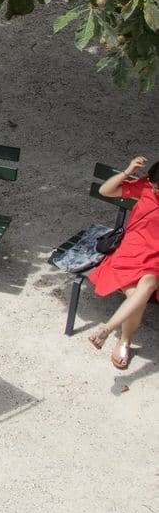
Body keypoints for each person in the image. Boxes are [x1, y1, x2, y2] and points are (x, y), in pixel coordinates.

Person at [87, 155, 159, 370]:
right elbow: (105, 191)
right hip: (132, 251)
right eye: (155, 187)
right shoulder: (145, 187)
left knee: (146, 285)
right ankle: (124, 340)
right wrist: (128, 172)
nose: (156, 192)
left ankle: (108, 330)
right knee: (139, 293)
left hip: (156, 257)